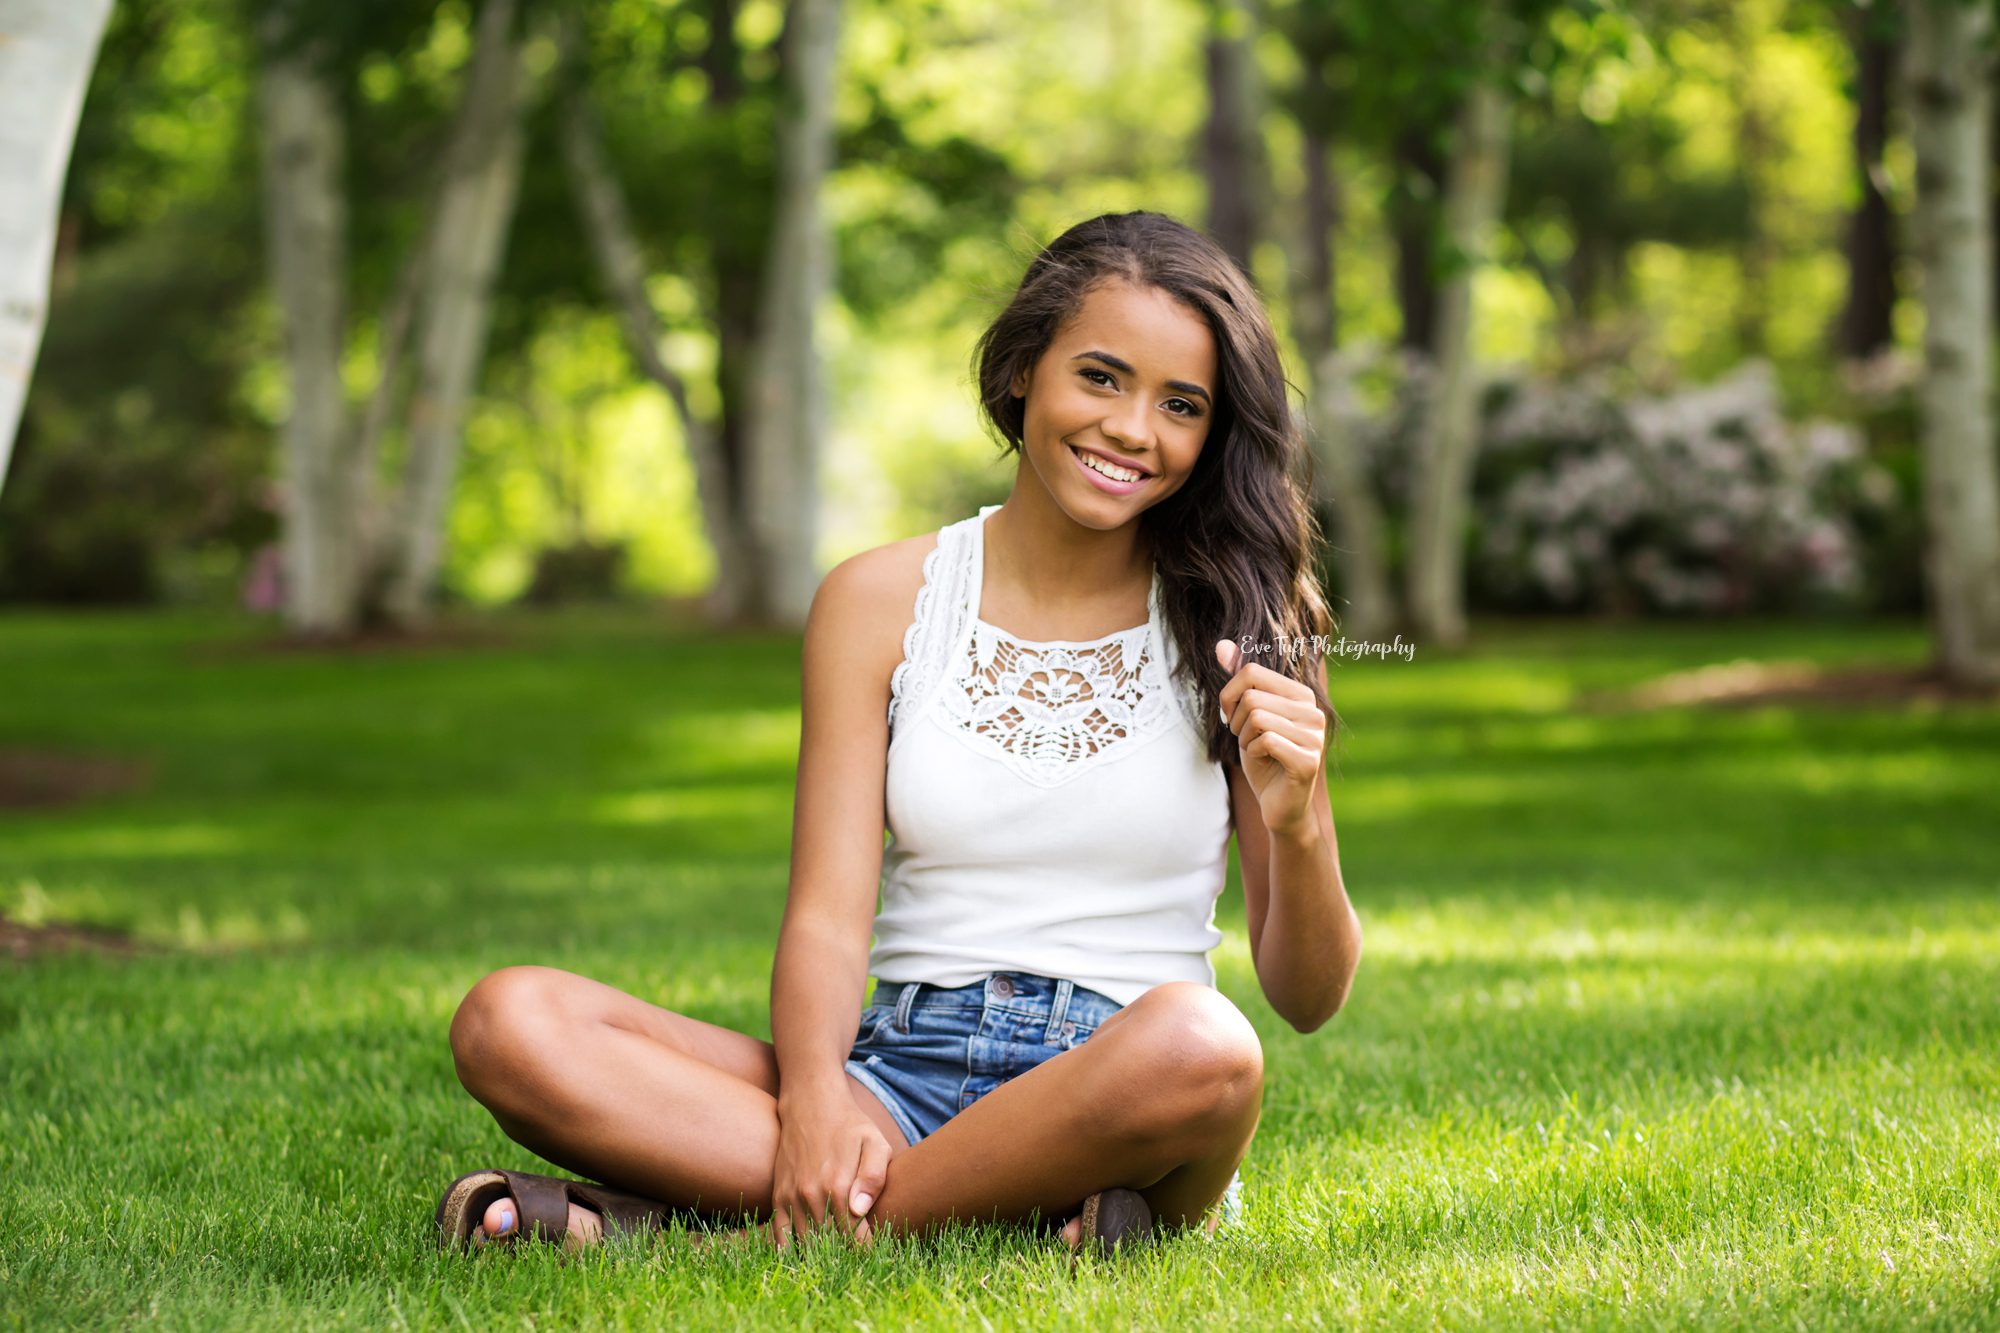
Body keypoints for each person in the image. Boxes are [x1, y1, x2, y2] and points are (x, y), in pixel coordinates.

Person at [436, 210, 1363, 1257]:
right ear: (1022, 370)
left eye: (1179, 404)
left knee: (1208, 1046)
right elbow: (829, 916)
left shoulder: (1247, 620)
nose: (1131, 429)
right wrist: (818, 1103)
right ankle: (1026, 1213)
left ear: (1210, 433)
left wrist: (1298, 823)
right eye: (1099, 377)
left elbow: (1305, 997)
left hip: (1127, 1082)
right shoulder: (877, 599)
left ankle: (722, 1237)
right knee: (512, 1019)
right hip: (898, 1073)